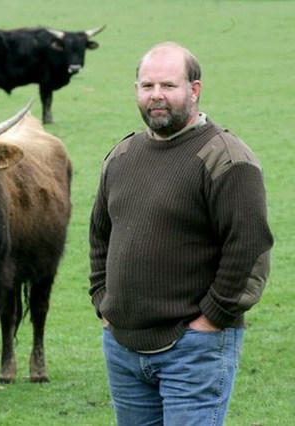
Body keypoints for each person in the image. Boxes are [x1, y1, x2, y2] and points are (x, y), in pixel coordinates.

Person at [88, 41, 273, 425]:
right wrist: (103, 303)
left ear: (194, 89)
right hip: (123, 346)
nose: (157, 95)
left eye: (169, 86)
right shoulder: (122, 156)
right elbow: (100, 238)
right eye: (147, 86)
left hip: (194, 350)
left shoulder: (225, 157)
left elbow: (249, 247)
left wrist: (211, 321)